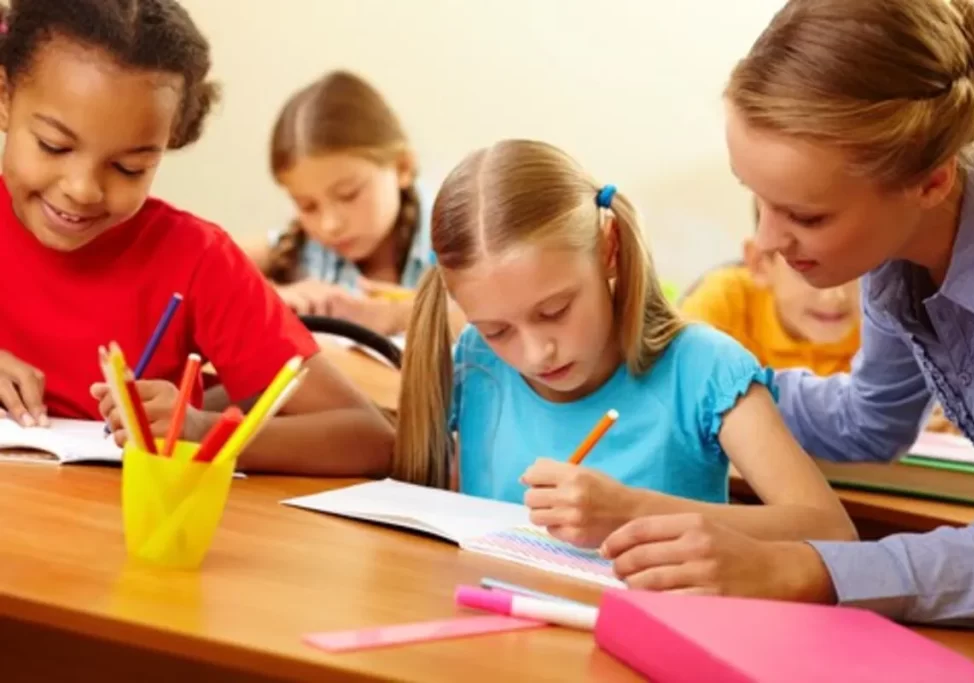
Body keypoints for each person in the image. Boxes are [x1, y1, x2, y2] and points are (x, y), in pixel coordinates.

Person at [602, 0, 974, 627]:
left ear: (931, 182)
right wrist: (700, 379)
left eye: (806, 216)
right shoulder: (899, 244)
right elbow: (870, 419)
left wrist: (791, 568)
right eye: (758, 200)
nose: (768, 241)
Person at [392, 139, 855, 549]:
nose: (536, 354)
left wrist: (633, 511)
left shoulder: (705, 368)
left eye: (555, 311)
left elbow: (832, 532)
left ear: (608, 248)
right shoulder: (475, 362)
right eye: (498, 331)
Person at [0, 0, 393, 475]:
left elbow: (368, 438)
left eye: (130, 167)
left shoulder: (196, 260)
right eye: (53, 146)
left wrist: (200, 430)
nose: (82, 189)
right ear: (4, 97)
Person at [245, 71, 432, 337]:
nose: (329, 225)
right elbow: (202, 272)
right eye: (307, 206)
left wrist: (392, 316)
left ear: (402, 167)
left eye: (348, 195)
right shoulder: (301, 246)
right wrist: (276, 297)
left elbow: (492, 316)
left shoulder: (461, 229)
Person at [681, 202, 860, 375]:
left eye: (855, 269)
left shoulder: (882, 327)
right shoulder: (723, 306)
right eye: (807, 269)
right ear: (760, 263)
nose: (834, 296)